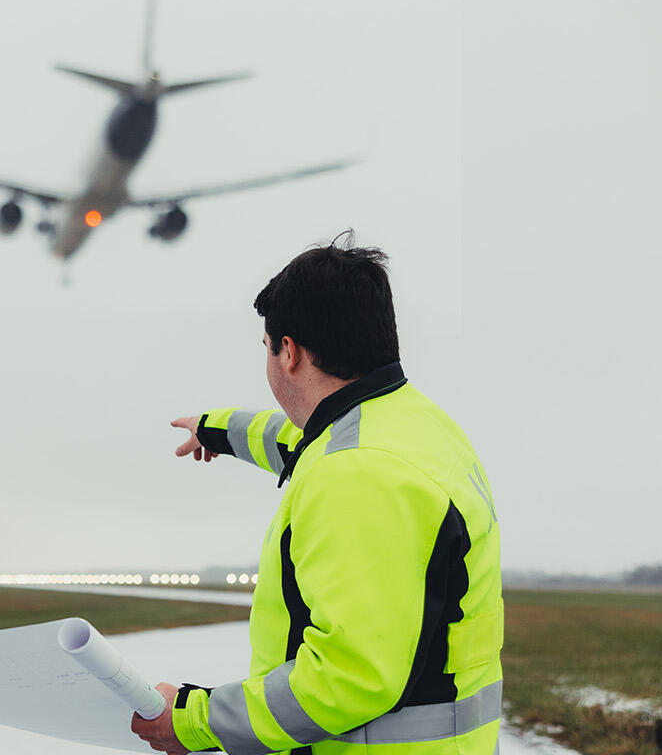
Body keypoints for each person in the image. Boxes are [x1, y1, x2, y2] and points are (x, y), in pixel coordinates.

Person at [132, 236, 502, 755]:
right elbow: (300, 440)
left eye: (266, 347)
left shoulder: (357, 474)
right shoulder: (411, 423)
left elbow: (349, 676)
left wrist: (195, 720)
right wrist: (218, 429)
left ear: (289, 352)